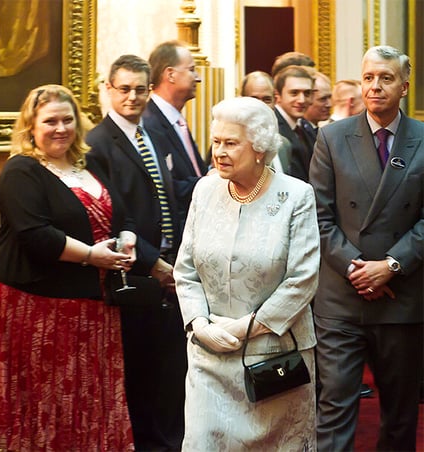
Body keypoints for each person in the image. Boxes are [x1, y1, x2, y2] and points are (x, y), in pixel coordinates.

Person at [0, 84, 136, 451]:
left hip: (92, 303)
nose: (60, 128)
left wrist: (127, 237)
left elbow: (119, 213)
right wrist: (93, 256)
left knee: (87, 401)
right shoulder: (21, 170)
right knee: (43, 405)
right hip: (33, 305)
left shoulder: (90, 162)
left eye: (68, 119)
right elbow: (37, 236)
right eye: (50, 121)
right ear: (31, 127)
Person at [174, 96, 320, 451]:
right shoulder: (204, 191)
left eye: (231, 143)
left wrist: (244, 328)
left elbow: (302, 279)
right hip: (209, 357)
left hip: (274, 360)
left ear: (259, 147)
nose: (219, 152)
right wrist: (199, 326)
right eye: (216, 142)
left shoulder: (296, 196)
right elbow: (186, 269)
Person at [310, 45, 423, 451]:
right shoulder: (332, 138)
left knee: (399, 415)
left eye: (386, 78)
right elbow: (318, 217)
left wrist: (391, 265)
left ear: (404, 86)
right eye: (369, 77)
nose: (375, 86)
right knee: (334, 410)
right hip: (343, 296)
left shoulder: (423, 140)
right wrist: (357, 268)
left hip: (402, 297)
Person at [86, 54, 187, 451]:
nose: (132, 97)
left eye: (140, 89)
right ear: (108, 89)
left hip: (171, 271)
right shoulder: (96, 144)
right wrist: (155, 264)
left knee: (171, 374)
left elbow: (172, 197)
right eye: (123, 88)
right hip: (135, 275)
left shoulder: (157, 136)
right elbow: (114, 218)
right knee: (141, 380)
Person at [143, 40, 207, 225]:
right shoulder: (149, 124)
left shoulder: (177, 121)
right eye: (192, 69)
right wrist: (208, 183)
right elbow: (164, 187)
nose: (198, 77)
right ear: (170, 74)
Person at [273, 64, 315, 181]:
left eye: (307, 93)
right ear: (278, 96)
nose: (302, 100)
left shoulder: (306, 127)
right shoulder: (272, 128)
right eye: (294, 93)